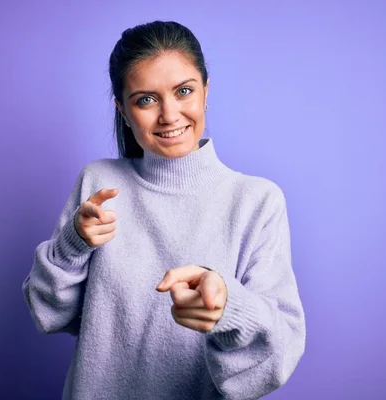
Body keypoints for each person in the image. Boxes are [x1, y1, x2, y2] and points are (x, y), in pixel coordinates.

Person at [22, 20, 306, 400]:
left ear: (205, 92)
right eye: (146, 99)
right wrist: (73, 245)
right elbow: (48, 313)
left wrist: (229, 309)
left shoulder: (256, 201)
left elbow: (278, 356)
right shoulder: (100, 184)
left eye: (184, 91)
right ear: (122, 110)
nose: (169, 115)